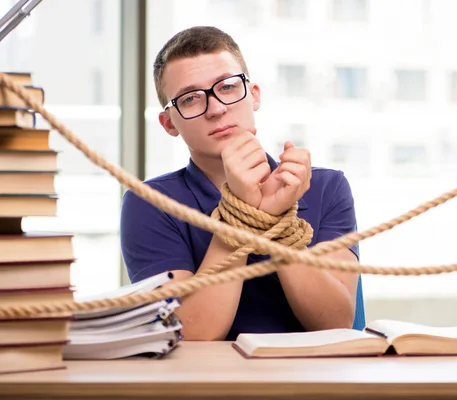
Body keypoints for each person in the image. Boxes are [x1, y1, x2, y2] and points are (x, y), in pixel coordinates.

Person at [120, 26, 360, 341]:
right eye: (191, 99)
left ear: (254, 95)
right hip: (207, 386)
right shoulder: (149, 203)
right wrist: (241, 213)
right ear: (169, 123)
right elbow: (187, 334)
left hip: (310, 383)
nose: (217, 108)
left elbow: (337, 322)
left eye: (229, 86)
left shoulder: (325, 186)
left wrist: (278, 221)